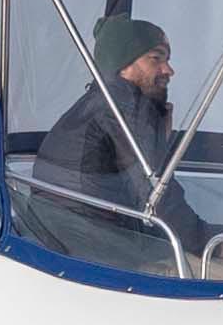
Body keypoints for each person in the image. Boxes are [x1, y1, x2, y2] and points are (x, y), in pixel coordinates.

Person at [33, 14, 212, 265]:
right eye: (156, 58)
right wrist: (212, 243)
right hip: (96, 253)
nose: (168, 70)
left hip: (62, 243)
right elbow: (154, 191)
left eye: (167, 59)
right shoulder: (123, 109)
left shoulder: (99, 104)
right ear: (123, 65)